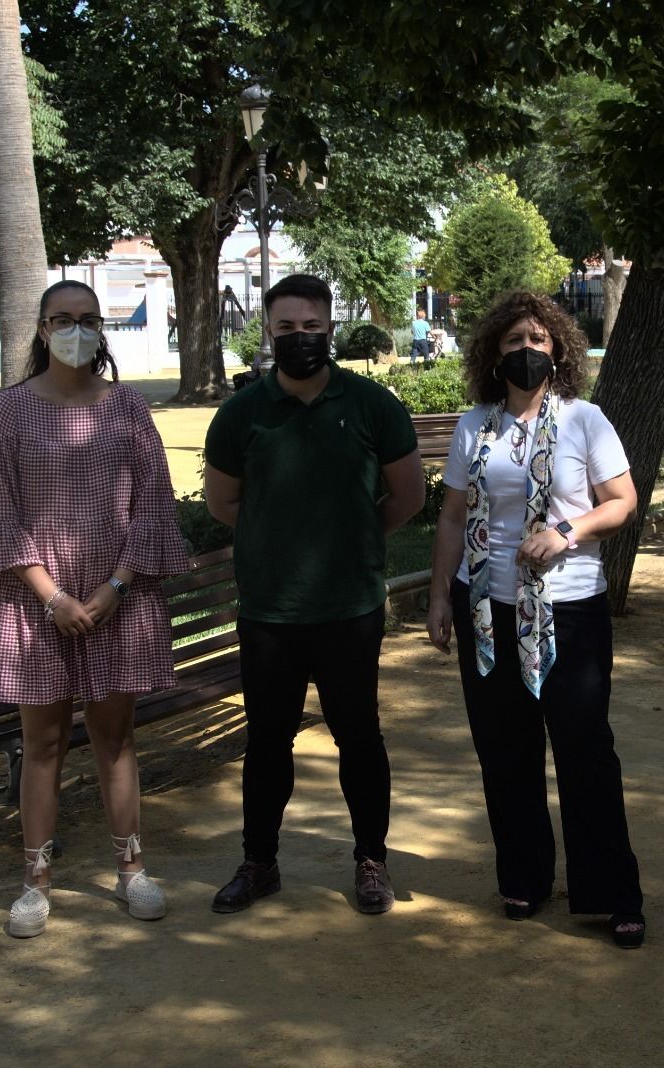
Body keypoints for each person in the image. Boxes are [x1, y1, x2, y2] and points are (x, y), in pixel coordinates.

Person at [425, 290, 646, 949]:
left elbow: (623, 501)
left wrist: (566, 532)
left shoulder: (585, 421)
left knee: (585, 750)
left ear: (559, 350)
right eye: (515, 341)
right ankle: (524, 874)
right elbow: (452, 516)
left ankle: (611, 893)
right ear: (494, 352)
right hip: (486, 611)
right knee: (505, 749)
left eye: (540, 340)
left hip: (568, 610)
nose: (528, 350)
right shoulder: (476, 425)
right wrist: (439, 596)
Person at [0, 280, 191, 938]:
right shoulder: (7, 414)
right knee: (40, 744)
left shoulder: (128, 410)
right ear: (41, 329)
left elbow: (153, 509)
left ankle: (131, 870)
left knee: (115, 739)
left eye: (87, 319)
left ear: (103, 328)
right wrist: (54, 597)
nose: (75, 330)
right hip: (36, 606)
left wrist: (113, 589)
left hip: (116, 604)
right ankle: (34, 882)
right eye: (62, 319)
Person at [204, 273, 425, 915]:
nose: (299, 338)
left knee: (359, 739)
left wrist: (351, 537)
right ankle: (259, 861)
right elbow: (224, 503)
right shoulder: (242, 412)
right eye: (285, 329)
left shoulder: (372, 404)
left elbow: (407, 496)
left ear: (330, 326)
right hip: (270, 611)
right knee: (267, 741)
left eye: (310, 327)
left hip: (348, 609)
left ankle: (371, 861)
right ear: (268, 333)